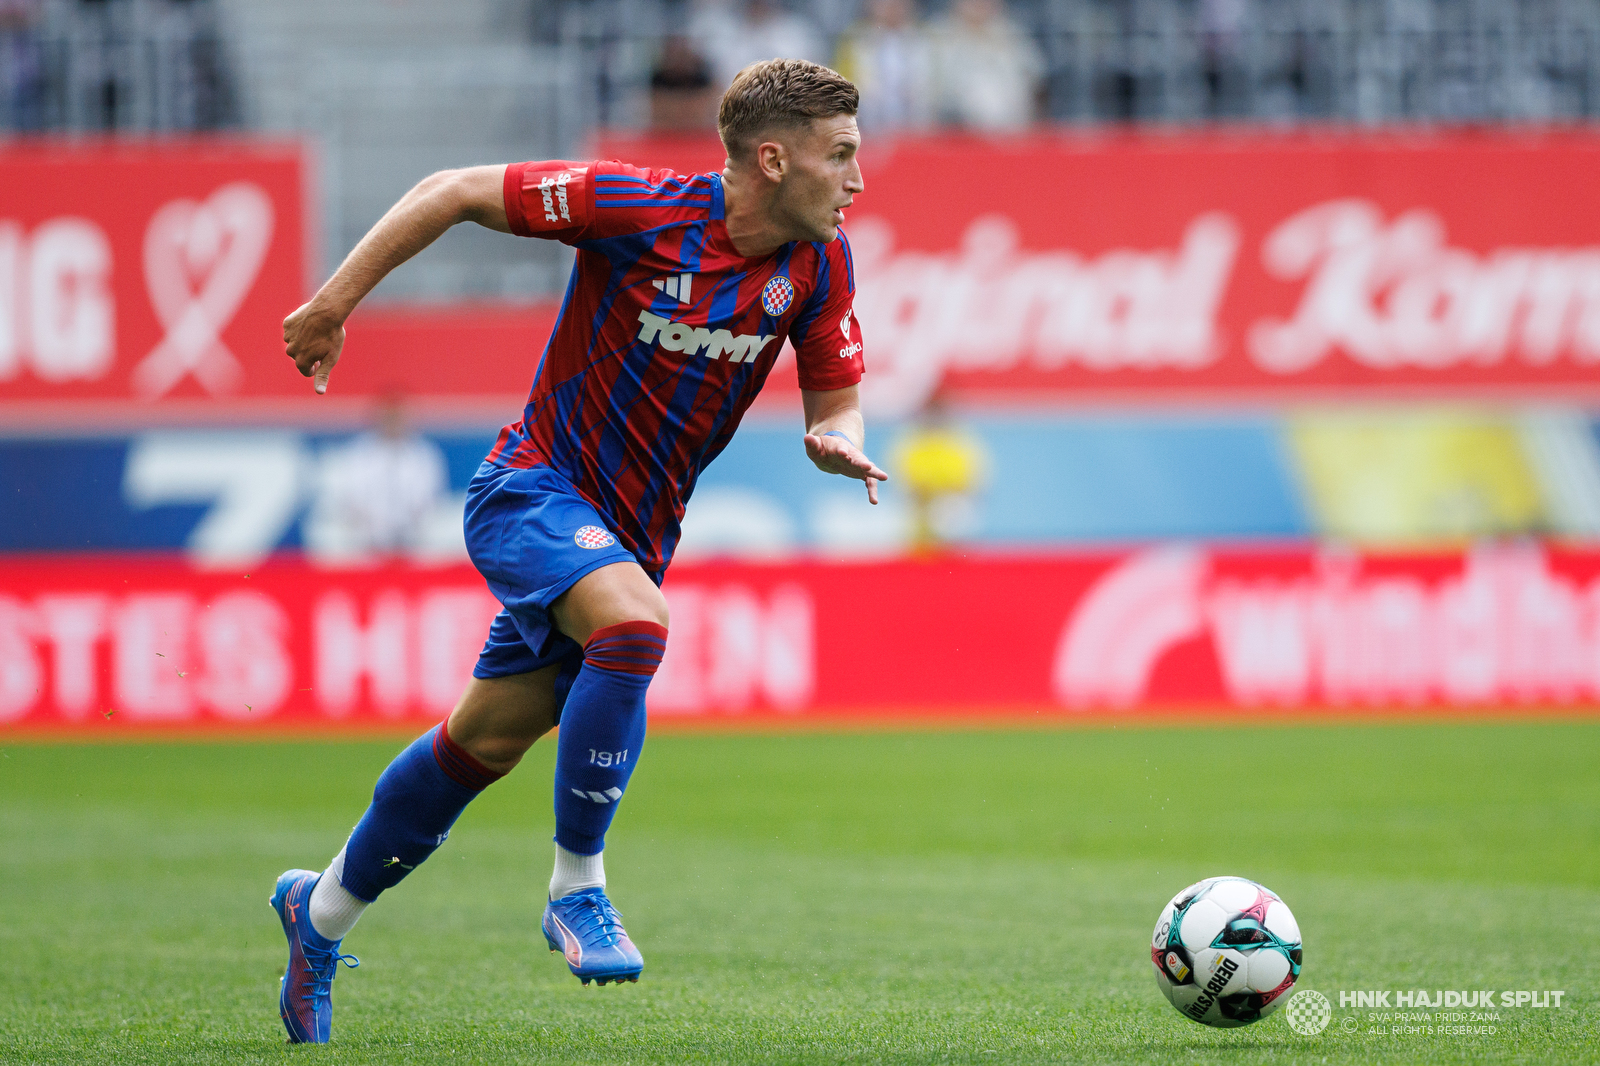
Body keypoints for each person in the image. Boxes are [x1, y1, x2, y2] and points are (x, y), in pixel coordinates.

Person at [274, 58, 885, 1044]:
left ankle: (321, 913)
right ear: (774, 160)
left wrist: (836, 437)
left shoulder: (820, 264)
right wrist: (331, 304)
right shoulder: (634, 207)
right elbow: (451, 190)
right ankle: (577, 886)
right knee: (636, 624)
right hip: (531, 488)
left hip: (633, 535)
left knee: (481, 746)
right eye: (842, 154)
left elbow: (836, 396)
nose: (858, 178)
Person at [303, 392, 452, 562]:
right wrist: (373, 529)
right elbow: (348, 500)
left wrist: (404, 529)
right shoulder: (356, 453)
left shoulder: (425, 454)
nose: (393, 423)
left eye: (398, 417)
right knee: (330, 533)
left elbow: (431, 501)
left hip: (414, 535)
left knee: (448, 529)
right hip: (363, 536)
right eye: (389, 417)